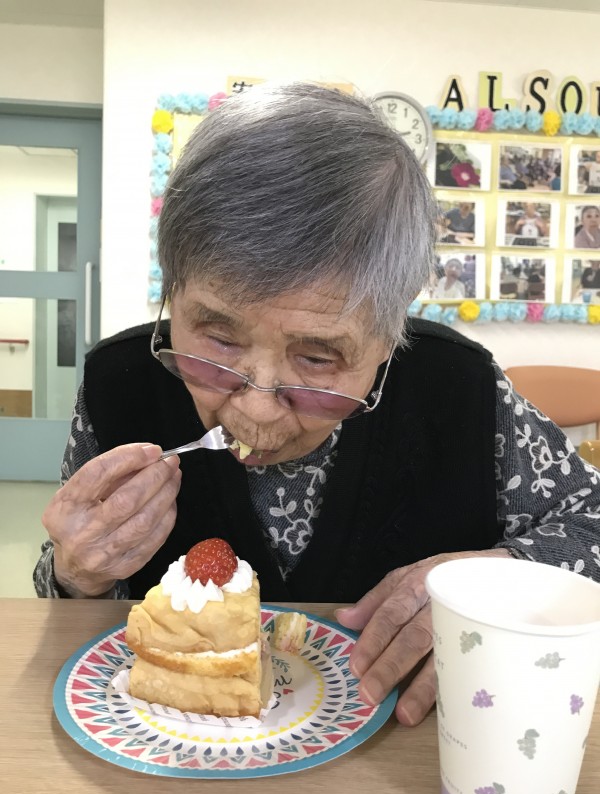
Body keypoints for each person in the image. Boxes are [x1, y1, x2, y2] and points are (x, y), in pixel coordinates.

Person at [35, 83, 600, 729]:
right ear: (173, 289)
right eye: (218, 339)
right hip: (166, 752)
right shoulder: (119, 383)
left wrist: (498, 579)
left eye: (318, 358)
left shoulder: (458, 387)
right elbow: (58, 601)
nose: (257, 411)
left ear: (389, 338)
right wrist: (75, 574)